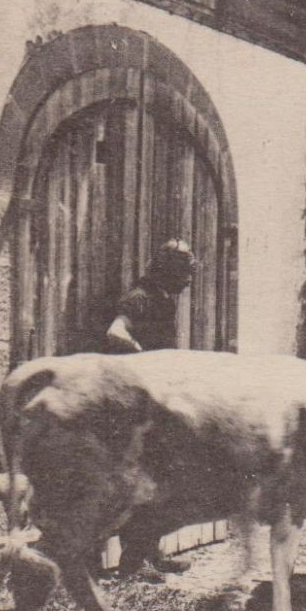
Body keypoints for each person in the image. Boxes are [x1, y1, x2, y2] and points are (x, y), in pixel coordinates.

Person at [104, 238, 197, 578]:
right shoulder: (139, 299)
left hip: (157, 404)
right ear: (168, 269)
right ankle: (133, 562)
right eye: (185, 271)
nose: (189, 279)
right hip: (135, 408)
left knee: (162, 480)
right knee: (143, 481)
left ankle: (150, 552)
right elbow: (115, 334)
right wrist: (146, 362)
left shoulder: (162, 299)